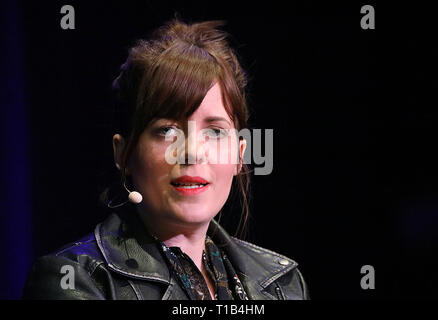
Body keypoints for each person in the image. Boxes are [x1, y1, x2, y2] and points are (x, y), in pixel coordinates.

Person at [22, 18, 309, 300]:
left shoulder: (281, 284)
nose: (192, 151)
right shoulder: (74, 280)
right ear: (123, 154)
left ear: (239, 156)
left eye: (215, 131)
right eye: (167, 130)